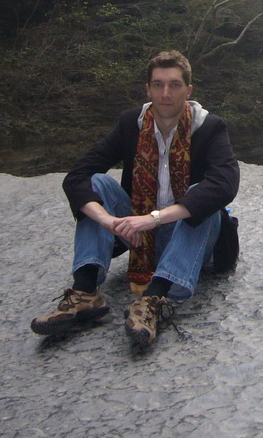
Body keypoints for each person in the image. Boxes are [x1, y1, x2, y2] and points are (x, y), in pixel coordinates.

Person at [31, 50, 239, 346]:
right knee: (97, 182)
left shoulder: (209, 127)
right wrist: (110, 221)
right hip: (139, 235)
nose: (165, 93)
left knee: (203, 197)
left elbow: (224, 184)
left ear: (188, 90)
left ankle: (155, 297)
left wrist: (152, 219)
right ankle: (86, 291)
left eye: (174, 85)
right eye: (158, 85)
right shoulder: (132, 124)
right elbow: (78, 175)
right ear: (147, 89)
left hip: (188, 236)